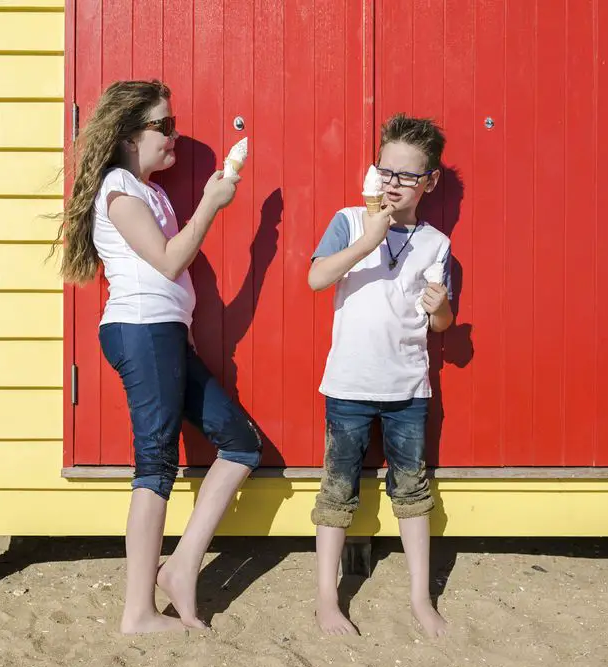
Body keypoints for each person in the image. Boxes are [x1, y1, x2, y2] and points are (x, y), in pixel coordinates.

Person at [56, 79, 261, 634]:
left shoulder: (152, 192)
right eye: (163, 126)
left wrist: (186, 333)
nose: (174, 136)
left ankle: (182, 567)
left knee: (240, 443)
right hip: (142, 332)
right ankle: (137, 613)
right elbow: (169, 262)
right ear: (129, 135)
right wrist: (213, 206)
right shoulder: (120, 191)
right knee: (156, 462)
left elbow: (170, 278)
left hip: (166, 334)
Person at [307, 113, 454, 638]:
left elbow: (440, 321)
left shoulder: (436, 243)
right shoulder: (349, 221)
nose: (391, 183)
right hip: (347, 385)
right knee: (336, 489)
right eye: (384, 171)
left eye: (406, 176)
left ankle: (420, 598)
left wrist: (441, 311)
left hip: (407, 389)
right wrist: (369, 239)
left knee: (412, 491)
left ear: (429, 181)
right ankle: (328, 599)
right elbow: (317, 277)